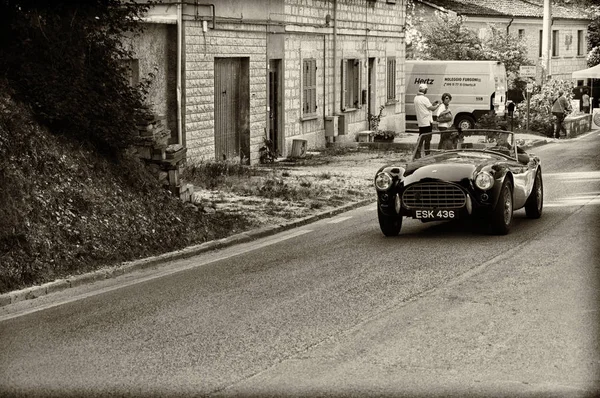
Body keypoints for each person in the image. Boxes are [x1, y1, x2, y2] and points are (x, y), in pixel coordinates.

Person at [414, 83, 441, 154]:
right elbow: (432, 109)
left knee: (421, 137)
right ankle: (427, 153)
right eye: (426, 89)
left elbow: (425, 107)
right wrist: (438, 105)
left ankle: (417, 152)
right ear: (425, 90)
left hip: (421, 121)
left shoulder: (416, 98)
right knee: (428, 138)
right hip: (427, 122)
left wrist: (432, 104)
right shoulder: (424, 99)